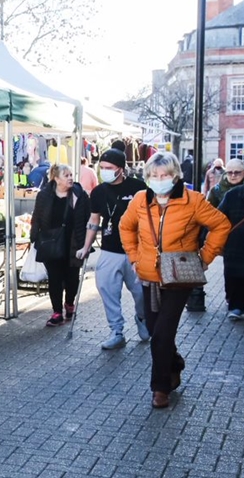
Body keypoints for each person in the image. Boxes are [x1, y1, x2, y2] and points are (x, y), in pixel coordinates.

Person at [120, 152, 230, 409]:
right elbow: (125, 227)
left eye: (166, 175)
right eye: (155, 175)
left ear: (176, 175)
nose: (160, 180)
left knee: (162, 334)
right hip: (149, 275)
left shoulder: (193, 200)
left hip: (179, 276)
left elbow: (221, 225)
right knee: (153, 329)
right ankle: (176, 363)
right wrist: (135, 257)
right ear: (147, 177)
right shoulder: (139, 200)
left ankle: (160, 388)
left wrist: (205, 257)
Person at [78, 147, 148, 349]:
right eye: (101, 167)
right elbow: (94, 220)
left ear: (121, 168)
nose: (104, 171)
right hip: (110, 249)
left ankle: (142, 318)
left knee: (142, 293)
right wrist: (85, 247)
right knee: (107, 289)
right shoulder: (99, 191)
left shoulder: (139, 187)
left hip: (136, 250)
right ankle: (116, 331)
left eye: (109, 167)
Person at [30, 164, 90, 327]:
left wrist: (86, 242)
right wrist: (34, 237)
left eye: (71, 174)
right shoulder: (44, 195)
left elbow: (88, 217)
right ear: (56, 179)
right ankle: (57, 312)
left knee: (72, 279)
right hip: (51, 242)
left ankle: (69, 303)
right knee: (55, 279)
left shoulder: (79, 194)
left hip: (73, 242)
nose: (70, 178)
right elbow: (37, 216)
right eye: (66, 175)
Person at [216, 165, 244, 320]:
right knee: (234, 275)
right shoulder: (233, 195)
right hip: (235, 245)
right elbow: (219, 218)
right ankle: (235, 307)